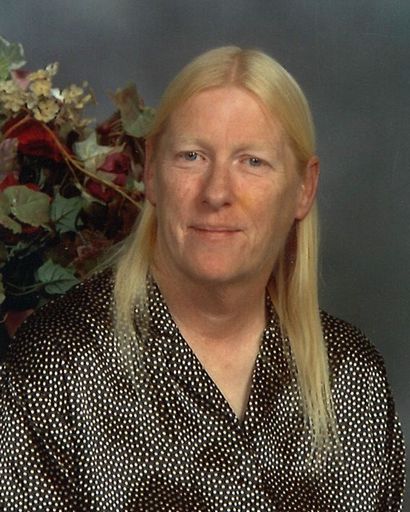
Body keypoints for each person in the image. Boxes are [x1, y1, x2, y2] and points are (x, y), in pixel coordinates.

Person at [0, 46, 405, 511]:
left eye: (252, 161)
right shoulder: (57, 366)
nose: (216, 193)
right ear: (153, 170)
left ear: (303, 187)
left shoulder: (352, 378)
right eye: (192, 156)